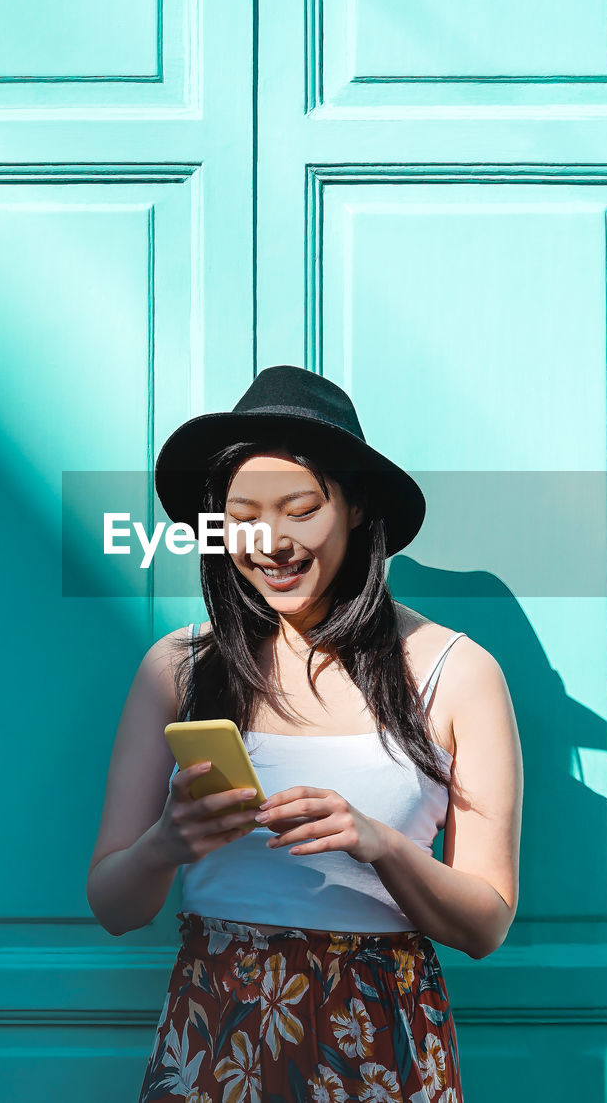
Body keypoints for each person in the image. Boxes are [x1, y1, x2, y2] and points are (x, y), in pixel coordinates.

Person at [87, 365, 522, 1102]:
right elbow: (113, 904)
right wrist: (167, 841)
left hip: (382, 1040)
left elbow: (486, 923)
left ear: (354, 507)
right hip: (213, 1035)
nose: (273, 542)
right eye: (247, 514)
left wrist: (376, 841)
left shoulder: (459, 672)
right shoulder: (176, 669)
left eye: (301, 508)